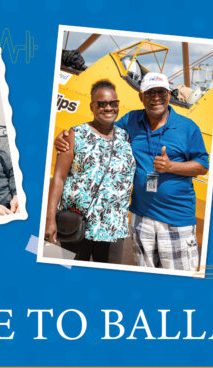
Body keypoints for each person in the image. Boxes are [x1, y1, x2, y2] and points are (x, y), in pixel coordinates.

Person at [55, 72, 208, 271]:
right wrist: (68, 134)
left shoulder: (188, 128)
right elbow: (100, 129)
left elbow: (203, 165)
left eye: (161, 92)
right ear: (141, 97)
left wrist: (172, 167)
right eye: (149, 93)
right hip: (139, 218)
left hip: (176, 219)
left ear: (169, 95)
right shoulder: (131, 120)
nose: (155, 98)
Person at [44, 80, 136, 263]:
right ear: (92, 106)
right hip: (77, 224)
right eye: (101, 104)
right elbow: (59, 178)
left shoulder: (125, 137)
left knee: (106, 281)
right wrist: (50, 219)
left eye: (113, 103)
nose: (108, 108)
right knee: (72, 274)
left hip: (112, 228)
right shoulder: (75, 134)